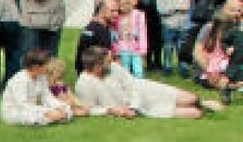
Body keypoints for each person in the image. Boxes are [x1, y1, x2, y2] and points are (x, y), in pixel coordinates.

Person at [75, 46, 220, 119]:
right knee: (195, 114)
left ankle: (204, 102)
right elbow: (89, 108)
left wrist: (134, 105)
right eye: (107, 61)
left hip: (144, 91)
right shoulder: (84, 83)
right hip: (137, 107)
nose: (111, 62)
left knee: (191, 98)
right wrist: (111, 110)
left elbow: (132, 85)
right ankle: (201, 108)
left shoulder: (114, 67)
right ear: (97, 66)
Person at [0, 49, 73, 125]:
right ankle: (52, 118)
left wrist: (60, 106)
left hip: (35, 107)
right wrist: (46, 111)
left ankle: (55, 117)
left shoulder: (42, 77)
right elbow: (22, 105)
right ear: (36, 67)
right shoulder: (20, 80)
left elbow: (47, 97)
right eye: (46, 64)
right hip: (16, 111)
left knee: (65, 109)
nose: (48, 67)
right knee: (41, 116)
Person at [156, 0, 190, 74]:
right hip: (168, 26)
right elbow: (161, 10)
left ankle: (183, 67)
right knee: (168, 46)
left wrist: (184, 8)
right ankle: (167, 66)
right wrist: (176, 8)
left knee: (181, 46)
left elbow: (187, 7)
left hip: (182, 26)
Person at [75, 0, 118, 74]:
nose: (116, 14)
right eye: (112, 11)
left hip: (83, 71)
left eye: (117, 11)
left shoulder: (90, 26)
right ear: (102, 11)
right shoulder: (101, 30)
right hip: (94, 73)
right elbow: (107, 57)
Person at [110, 0, 147, 77]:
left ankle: (138, 84)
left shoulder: (138, 15)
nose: (123, 8)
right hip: (122, 46)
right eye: (120, 6)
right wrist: (115, 48)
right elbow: (114, 34)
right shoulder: (116, 17)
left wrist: (143, 48)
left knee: (138, 69)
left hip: (136, 46)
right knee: (124, 68)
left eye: (126, 4)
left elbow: (142, 32)